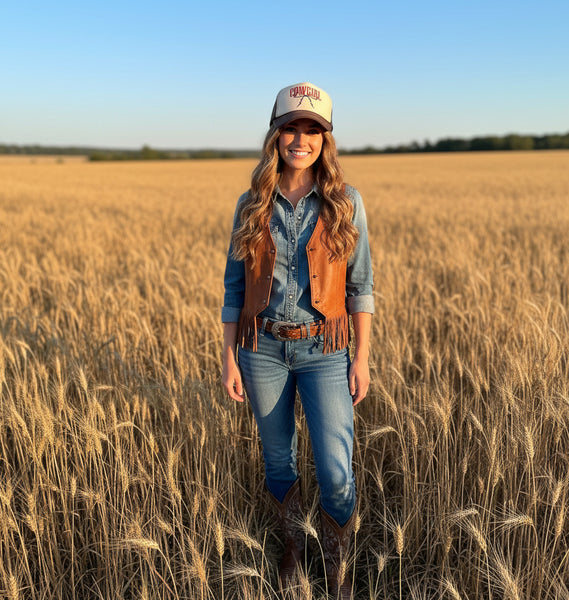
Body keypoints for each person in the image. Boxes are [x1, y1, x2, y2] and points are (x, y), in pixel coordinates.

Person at [221, 81, 374, 598]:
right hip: (261, 349)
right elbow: (234, 288)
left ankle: (336, 565)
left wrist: (362, 359)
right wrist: (229, 359)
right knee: (278, 458)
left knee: (335, 467)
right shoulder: (252, 202)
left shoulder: (345, 203)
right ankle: (293, 547)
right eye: (291, 128)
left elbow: (360, 287)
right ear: (276, 135)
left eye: (313, 130)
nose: (301, 139)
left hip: (327, 351)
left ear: (325, 140)